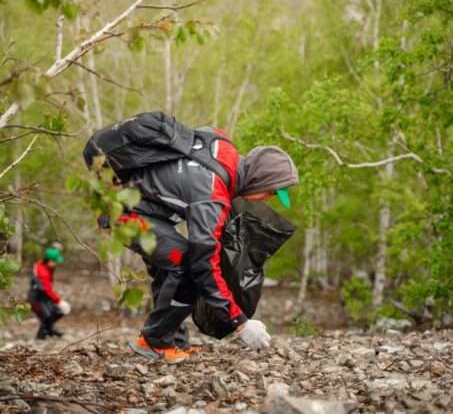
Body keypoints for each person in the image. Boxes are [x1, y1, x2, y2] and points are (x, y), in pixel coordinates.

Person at [85, 114, 298, 363]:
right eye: (271, 192)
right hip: (121, 211)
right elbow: (204, 263)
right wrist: (239, 323)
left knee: (173, 265)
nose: (268, 199)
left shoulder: (221, 146)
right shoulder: (211, 194)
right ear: (258, 180)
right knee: (187, 264)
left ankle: (171, 340)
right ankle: (155, 343)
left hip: (136, 204)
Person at [27, 246, 71, 340]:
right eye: (55, 261)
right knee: (47, 315)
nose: (56, 264)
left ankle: (50, 330)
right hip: (36, 298)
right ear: (49, 261)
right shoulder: (43, 273)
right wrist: (59, 301)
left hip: (43, 296)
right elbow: (48, 290)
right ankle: (41, 335)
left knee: (55, 312)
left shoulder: (42, 266)